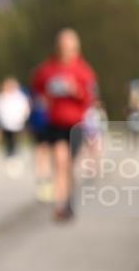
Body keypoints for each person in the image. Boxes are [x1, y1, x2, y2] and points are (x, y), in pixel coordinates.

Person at [31, 28, 97, 222]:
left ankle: (69, 200)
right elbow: (37, 89)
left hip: (76, 124)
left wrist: (75, 90)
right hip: (55, 122)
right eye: (63, 46)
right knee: (60, 161)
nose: (66, 50)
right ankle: (60, 203)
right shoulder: (48, 68)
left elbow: (90, 98)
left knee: (69, 165)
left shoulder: (84, 70)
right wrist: (43, 99)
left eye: (70, 46)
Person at [0, 76, 31, 177]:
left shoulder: (20, 97)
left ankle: (15, 157)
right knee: (8, 141)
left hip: (17, 123)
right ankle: (9, 157)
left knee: (16, 140)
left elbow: (25, 109)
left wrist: (22, 119)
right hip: (5, 123)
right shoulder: (1, 97)